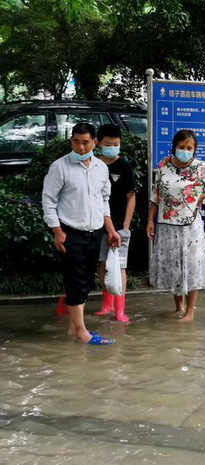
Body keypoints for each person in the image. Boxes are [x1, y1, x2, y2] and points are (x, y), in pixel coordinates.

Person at [42, 123, 121, 345]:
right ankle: (81, 333)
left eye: (85, 142)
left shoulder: (100, 168)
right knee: (75, 280)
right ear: (71, 141)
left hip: (94, 231)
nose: (80, 146)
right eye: (76, 141)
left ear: (95, 143)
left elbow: (103, 200)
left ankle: (73, 327)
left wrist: (111, 229)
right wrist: (57, 231)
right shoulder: (60, 167)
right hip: (70, 232)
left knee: (86, 279)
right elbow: (48, 201)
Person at [147, 129, 205, 321]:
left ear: (194, 150)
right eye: (181, 147)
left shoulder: (200, 168)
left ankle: (190, 311)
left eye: (189, 148)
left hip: (190, 227)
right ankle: (178, 307)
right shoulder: (163, 164)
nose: (185, 150)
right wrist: (150, 220)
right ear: (174, 147)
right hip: (166, 224)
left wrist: (201, 196)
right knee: (173, 266)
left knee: (191, 266)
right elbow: (156, 195)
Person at [93, 124, 135, 323]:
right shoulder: (93, 165)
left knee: (119, 266)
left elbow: (131, 197)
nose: (112, 147)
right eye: (108, 144)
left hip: (119, 226)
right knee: (103, 263)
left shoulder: (124, 166)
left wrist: (125, 226)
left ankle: (120, 309)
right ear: (98, 143)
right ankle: (106, 304)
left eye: (116, 144)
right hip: (97, 224)